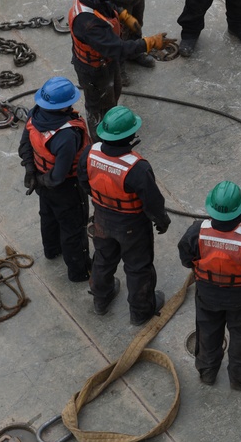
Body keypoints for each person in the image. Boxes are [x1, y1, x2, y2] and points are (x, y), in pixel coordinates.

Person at [78, 106, 171, 326]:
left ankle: (101, 299)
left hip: (102, 217)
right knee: (138, 267)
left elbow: (84, 182)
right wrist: (162, 221)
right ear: (131, 135)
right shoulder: (137, 168)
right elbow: (153, 202)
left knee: (102, 259)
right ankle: (140, 311)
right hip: (132, 225)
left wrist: (103, 201)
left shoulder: (90, 153)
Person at [177, 182, 241, 391]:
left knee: (208, 331)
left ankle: (207, 372)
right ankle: (240, 376)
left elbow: (186, 257)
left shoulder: (196, 232)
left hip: (207, 294)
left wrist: (201, 272)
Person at [69, 0, 175, 140]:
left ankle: (113, 123)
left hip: (107, 62)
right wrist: (148, 43)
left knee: (113, 93)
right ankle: (100, 143)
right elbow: (118, 49)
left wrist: (122, 14)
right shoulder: (88, 24)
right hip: (94, 70)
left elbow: (106, 2)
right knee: (99, 106)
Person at [18, 76, 91, 282]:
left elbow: (25, 144)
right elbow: (60, 174)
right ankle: (80, 271)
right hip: (65, 187)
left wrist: (31, 172)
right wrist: (40, 180)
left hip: (42, 178)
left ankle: (51, 250)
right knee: (73, 229)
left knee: (48, 215)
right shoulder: (66, 135)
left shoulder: (35, 114)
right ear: (64, 106)